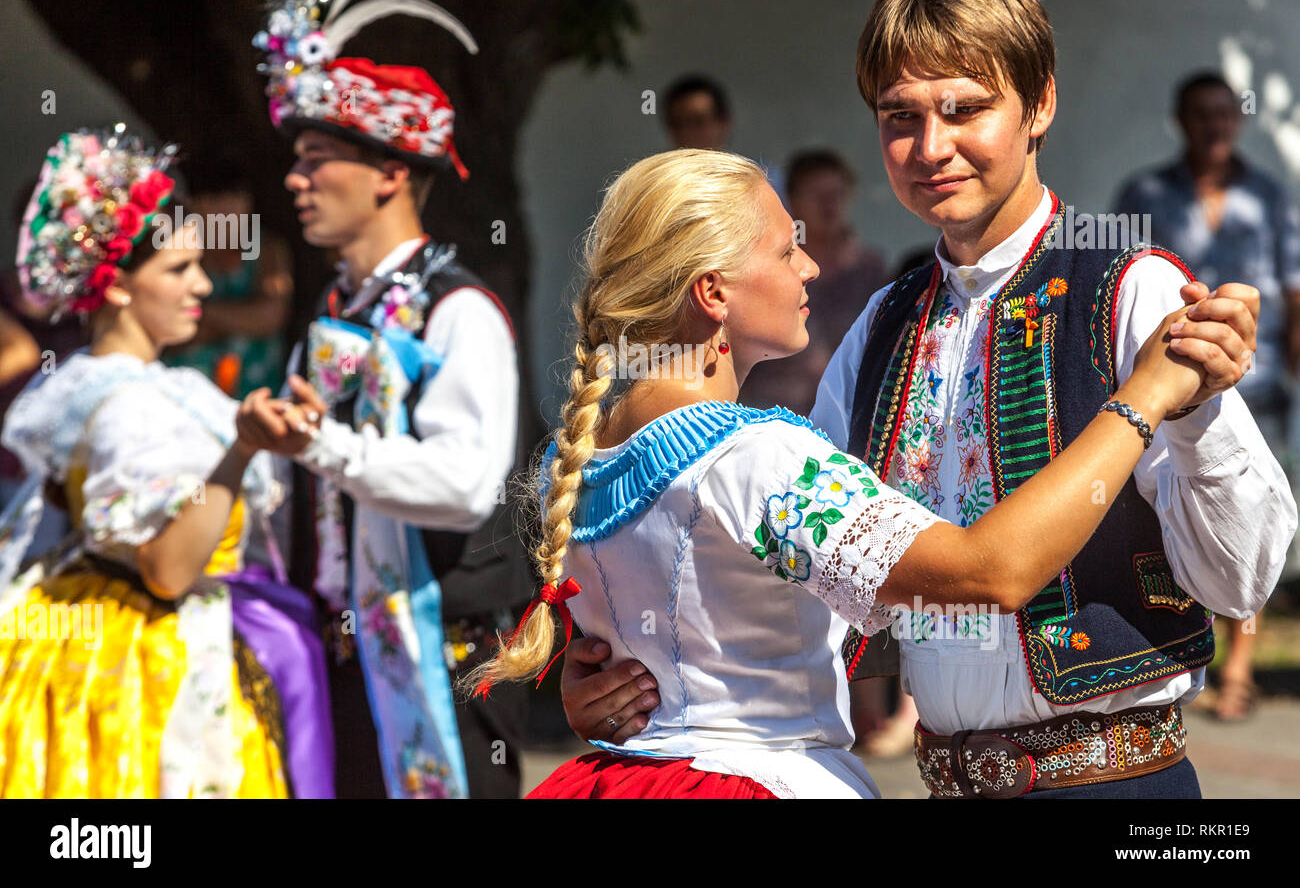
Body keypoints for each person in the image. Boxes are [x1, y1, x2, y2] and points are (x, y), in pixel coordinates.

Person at [559, 0, 1292, 799]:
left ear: (1040, 103)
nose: (930, 147)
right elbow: (788, 576)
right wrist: (628, 676)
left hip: (1117, 783)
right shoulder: (881, 327)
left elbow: (1242, 579)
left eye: (966, 109)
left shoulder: (1129, 291)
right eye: (899, 116)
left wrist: (1195, 414)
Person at [469, 147, 1258, 798]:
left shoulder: (572, 461)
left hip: (618, 778)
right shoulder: (757, 458)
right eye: (785, 251)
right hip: (753, 778)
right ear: (713, 293)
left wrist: (594, 690)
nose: (810, 268)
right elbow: (990, 573)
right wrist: (1144, 395)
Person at [237, 0, 531, 799]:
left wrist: (322, 444)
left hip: (441, 653)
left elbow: (466, 485)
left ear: (393, 172)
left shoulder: (457, 310)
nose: (294, 179)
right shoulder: (335, 313)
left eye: (318, 156)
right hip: (340, 653)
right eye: (296, 157)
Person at [0, 128, 331, 798]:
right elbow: (168, 569)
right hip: (151, 665)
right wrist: (239, 452)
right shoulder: (132, 407)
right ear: (118, 286)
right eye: (178, 270)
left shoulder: (93, 382)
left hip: (81, 634)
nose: (202, 284)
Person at [1114, 71, 1300, 720]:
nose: (1215, 125)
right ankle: (1188, 650)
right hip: (1172, 384)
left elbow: (1295, 288)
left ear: (1239, 120)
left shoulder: (1272, 194)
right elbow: (1119, 288)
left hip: (1262, 376)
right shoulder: (1144, 193)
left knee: (1245, 510)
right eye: (1201, 114)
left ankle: (1239, 672)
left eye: (1225, 114)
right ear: (1181, 120)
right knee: (1181, 508)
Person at [741, 149, 887, 415]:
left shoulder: (871, 269)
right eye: (817, 196)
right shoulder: (769, 268)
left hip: (852, 416)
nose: (829, 204)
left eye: (837, 194)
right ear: (792, 201)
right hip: (775, 415)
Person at [163, 155, 293, 397]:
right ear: (191, 206)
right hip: (186, 398)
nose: (230, 210)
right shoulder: (177, 250)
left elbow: (269, 316)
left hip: (255, 397)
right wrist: (239, 318)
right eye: (216, 200)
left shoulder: (263, 247)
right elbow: (166, 335)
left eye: (237, 197)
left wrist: (204, 316)